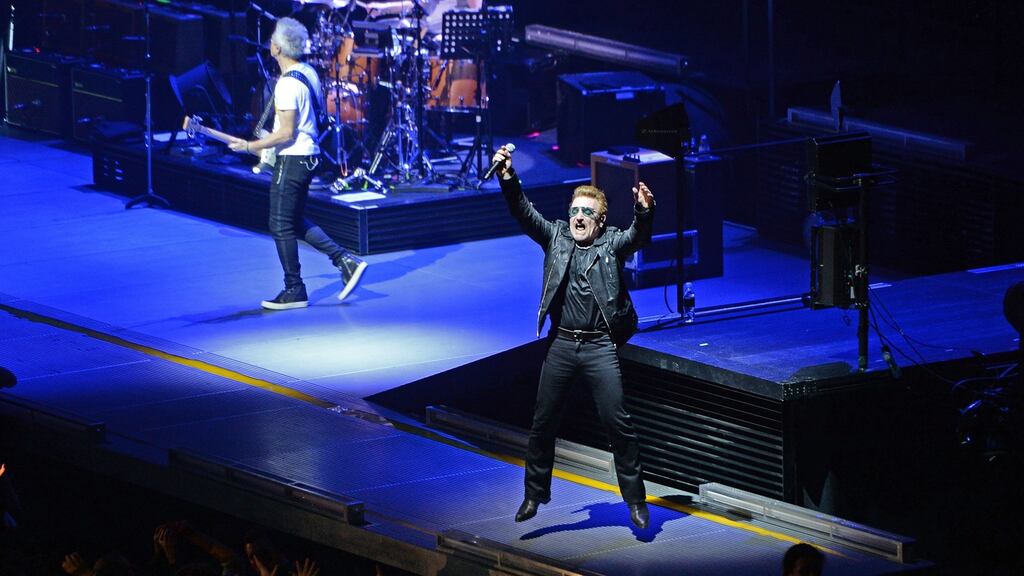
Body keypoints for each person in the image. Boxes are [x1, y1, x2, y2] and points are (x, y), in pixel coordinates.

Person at [492, 146, 655, 529]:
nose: (578, 218)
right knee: (543, 421)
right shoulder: (556, 237)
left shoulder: (611, 243)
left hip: (599, 346)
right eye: (574, 211)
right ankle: (534, 495)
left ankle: (635, 500)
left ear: (600, 221)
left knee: (619, 423)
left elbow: (639, 234)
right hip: (562, 343)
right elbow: (523, 210)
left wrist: (645, 210)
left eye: (587, 213)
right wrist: (508, 178)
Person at [228, 17, 367, 310]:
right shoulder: (308, 73)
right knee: (292, 219)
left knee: (279, 223)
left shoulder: (286, 86)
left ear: (277, 48)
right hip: (308, 156)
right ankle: (344, 261)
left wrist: (250, 146)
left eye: (272, 40)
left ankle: (295, 288)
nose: (269, 43)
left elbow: (286, 132)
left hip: (293, 158)